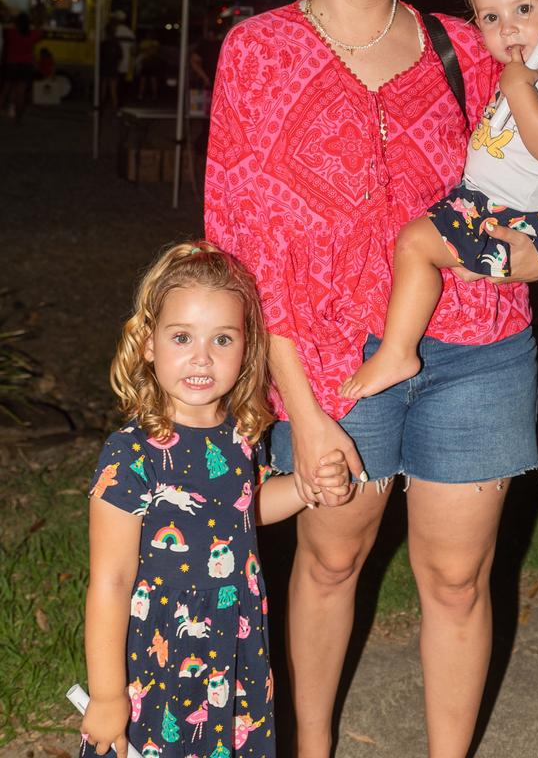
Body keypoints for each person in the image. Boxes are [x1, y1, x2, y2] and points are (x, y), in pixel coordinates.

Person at [205, 0, 538, 758]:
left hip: (479, 348)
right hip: (327, 361)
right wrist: (302, 407)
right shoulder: (258, 52)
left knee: (456, 582)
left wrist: (526, 251)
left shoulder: (473, 48)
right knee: (329, 562)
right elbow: (242, 250)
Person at [80, 242, 348, 758]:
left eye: (222, 339)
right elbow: (110, 581)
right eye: (182, 337)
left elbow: (244, 510)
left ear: (247, 349)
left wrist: (305, 488)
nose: (201, 357)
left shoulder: (241, 436)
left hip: (233, 635)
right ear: (149, 343)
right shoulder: (131, 454)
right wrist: (109, 693)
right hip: (158, 652)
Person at [341, 0, 538, 399]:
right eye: (490, 17)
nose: (507, 29)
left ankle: (398, 350)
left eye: (523, 9)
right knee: (416, 243)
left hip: (518, 218)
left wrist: (519, 89)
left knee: (415, 243)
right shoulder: (525, 73)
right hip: (487, 206)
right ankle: (407, 341)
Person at [1, 12, 41, 121]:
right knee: (21, 92)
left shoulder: (11, 33)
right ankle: (18, 116)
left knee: (6, 89)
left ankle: (2, 107)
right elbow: (39, 32)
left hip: (12, 63)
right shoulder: (32, 34)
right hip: (26, 64)